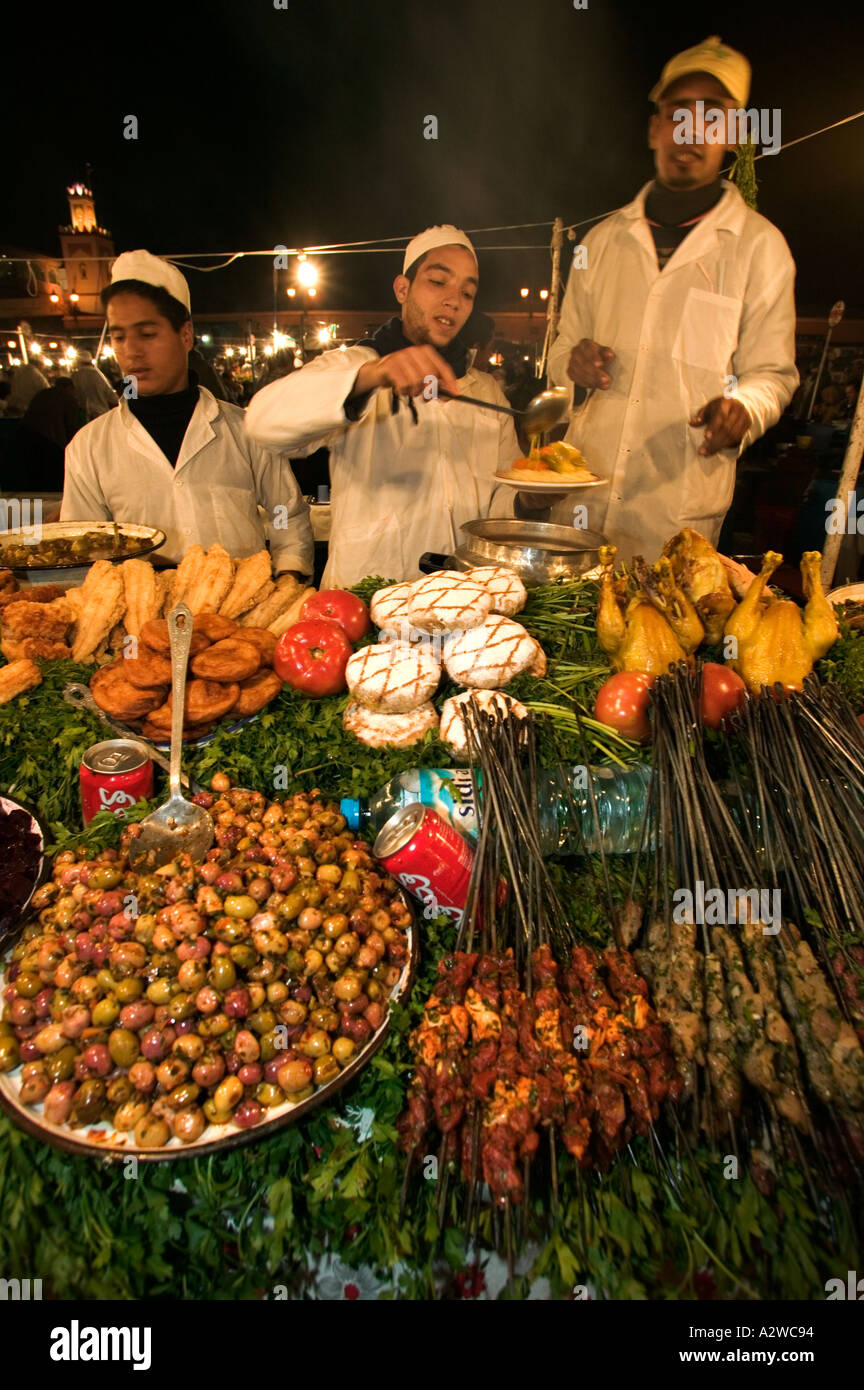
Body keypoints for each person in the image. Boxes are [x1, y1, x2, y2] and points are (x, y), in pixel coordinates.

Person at [546, 36, 798, 562]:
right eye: (678, 113)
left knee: (669, 642)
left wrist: (742, 410)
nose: (690, 133)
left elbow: (773, 374)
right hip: (581, 506)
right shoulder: (602, 241)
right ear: (654, 128)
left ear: (732, 136)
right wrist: (573, 364)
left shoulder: (761, 248)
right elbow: (560, 350)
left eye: (712, 118)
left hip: (676, 515)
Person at [246, 225, 530, 587]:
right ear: (402, 288)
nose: (454, 300)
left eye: (467, 292)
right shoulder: (353, 365)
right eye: (437, 282)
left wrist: (528, 500)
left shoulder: (487, 392)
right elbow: (263, 422)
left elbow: (497, 505)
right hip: (365, 600)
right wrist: (371, 375)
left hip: (460, 599)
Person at [61, 250, 313, 579]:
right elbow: (83, 553)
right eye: (119, 337)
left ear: (185, 335)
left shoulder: (244, 431)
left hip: (241, 622)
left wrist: (287, 579)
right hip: (141, 624)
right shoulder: (89, 448)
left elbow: (286, 516)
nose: (131, 351)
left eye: (147, 334)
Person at [70, 349, 118, 421]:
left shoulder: (74, 377)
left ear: (78, 362)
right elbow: (112, 397)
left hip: (83, 417)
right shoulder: (98, 375)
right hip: (101, 414)